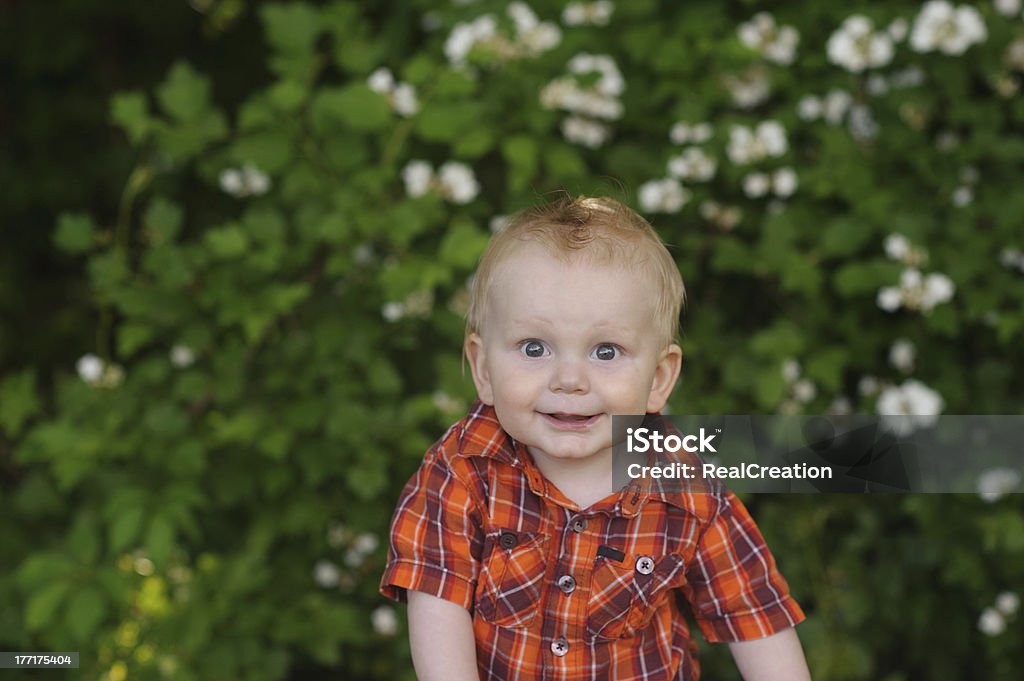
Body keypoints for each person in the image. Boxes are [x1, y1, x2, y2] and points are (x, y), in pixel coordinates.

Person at [379, 195, 812, 681]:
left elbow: (753, 612)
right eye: (534, 347)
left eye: (606, 351)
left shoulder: (685, 487)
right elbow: (437, 598)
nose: (569, 379)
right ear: (483, 368)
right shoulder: (461, 471)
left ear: (658, 379)